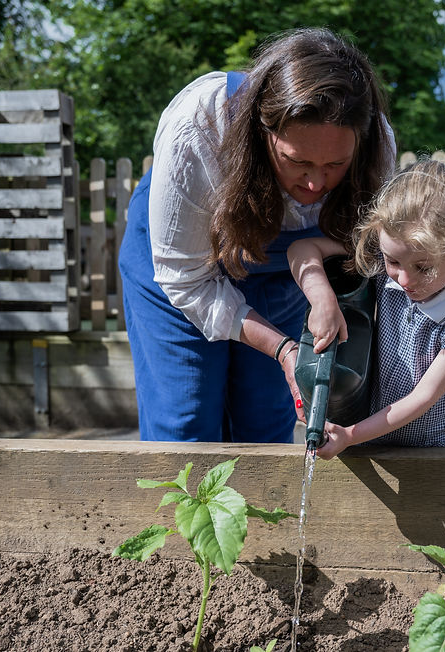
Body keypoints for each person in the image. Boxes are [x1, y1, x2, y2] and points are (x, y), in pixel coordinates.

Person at [118, 28, 396, 443]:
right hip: (181, 270)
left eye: (335, 164)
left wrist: (321, 295)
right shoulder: (199, 129)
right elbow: (187, 281)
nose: (316, 183)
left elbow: (368, 252)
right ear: (263, 131)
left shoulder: (377, 146)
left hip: (283, 269)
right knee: (186, 423)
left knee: (264, 424)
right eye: (297, 160)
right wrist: (282, 349)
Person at [287, 160, 445, 460]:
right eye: (394, 262)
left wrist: (350, 435)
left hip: (433, 453)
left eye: (423, 268)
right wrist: (322, 298)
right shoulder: (382, 260)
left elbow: (423, 397)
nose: (404, 279)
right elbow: (301, 250)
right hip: (368, 440)